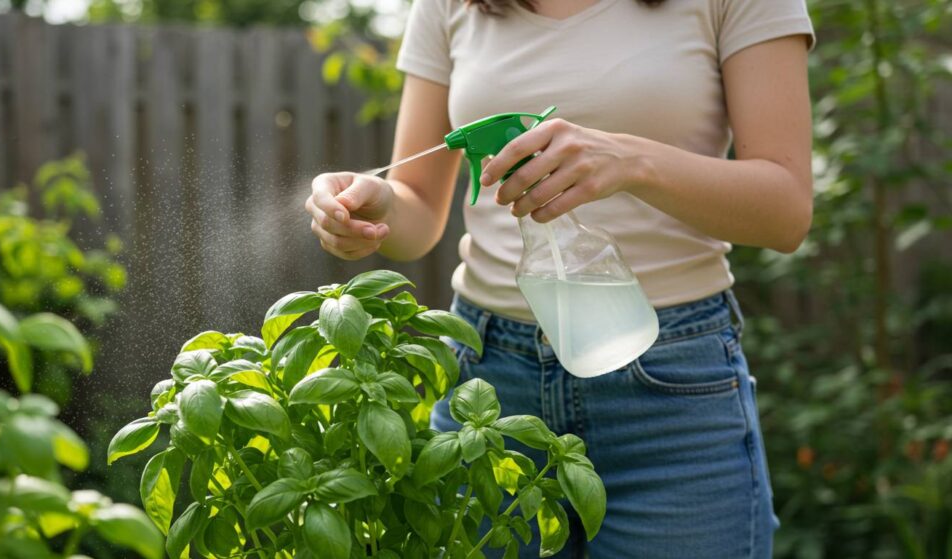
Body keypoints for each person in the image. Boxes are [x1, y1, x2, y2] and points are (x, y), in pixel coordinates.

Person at [305, 0, 815, 556]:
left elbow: (785, 212)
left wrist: (630, 161)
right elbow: (419, 209)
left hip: (672, 396)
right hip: (488, 390)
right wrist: (375, 208)